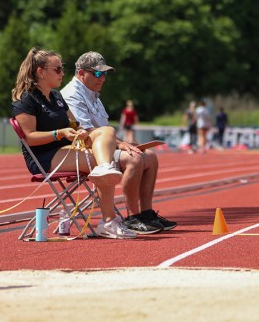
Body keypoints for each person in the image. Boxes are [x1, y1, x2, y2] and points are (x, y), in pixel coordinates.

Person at [12, 47, 137, 239]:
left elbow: (75, 124)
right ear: (41, 72)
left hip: (64, 149)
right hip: (43, 157)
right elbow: (28, 137)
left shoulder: (57, 96)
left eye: (62, 68)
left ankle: (104, 171)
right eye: (57, 69)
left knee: (107, 131)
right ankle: (108, 221)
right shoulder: (27, 99)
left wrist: (78, 132)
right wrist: (59, 134)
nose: (62, 73)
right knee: (99, 162)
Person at [61, 51, 176, 234]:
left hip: (100, 146)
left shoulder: (93, 94)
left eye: (104, 73)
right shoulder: (72, 95)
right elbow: (87, 135)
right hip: (85, 150)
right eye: (98, 73)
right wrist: (121, 145)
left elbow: (104, 130)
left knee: (150, 157)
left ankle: (146, 214)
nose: (103, 78)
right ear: (81, 73)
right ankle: (132, 218)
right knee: (134, 159)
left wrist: (125, 143)